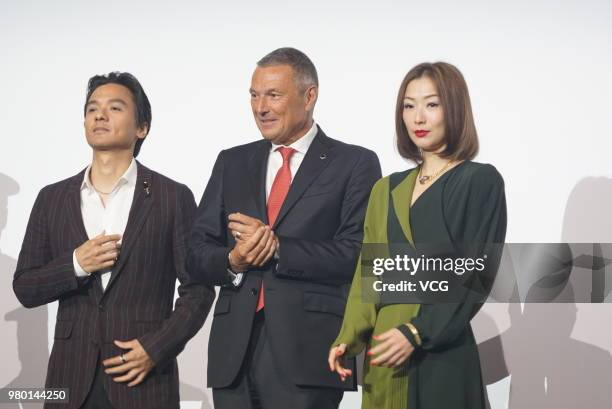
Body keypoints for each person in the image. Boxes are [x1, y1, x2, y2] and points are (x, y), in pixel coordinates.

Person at [186, 47, 381, 409]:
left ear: (310, 96)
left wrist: (277, 248)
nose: (261, 107)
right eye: (254, 95)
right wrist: (233, 259)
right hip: (234, 353)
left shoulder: (355, 163)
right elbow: (195, 254)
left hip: (309, 351)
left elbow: (357, 253)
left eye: (273, 95)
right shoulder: (232, 161)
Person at [13, 72, 214, 409]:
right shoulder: (52, 198)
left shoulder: (171, 197)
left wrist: (157, 347)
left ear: (142, 127)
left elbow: (199, 288)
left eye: (115, 108)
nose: (100, 115)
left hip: (143, 380)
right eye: (92, 109)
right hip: (69, 381)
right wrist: (76, 265)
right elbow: (25, 287)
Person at [329, 62, 507, 409]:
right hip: (385, 354)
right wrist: (348, 339)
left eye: (432, 104)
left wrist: (416, 332)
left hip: (442, 354)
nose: (418, 118)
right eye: (409, 106)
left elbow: (474, 274)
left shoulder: (479, 181)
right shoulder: (386, 189)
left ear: (454, 108)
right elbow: (371, 275)